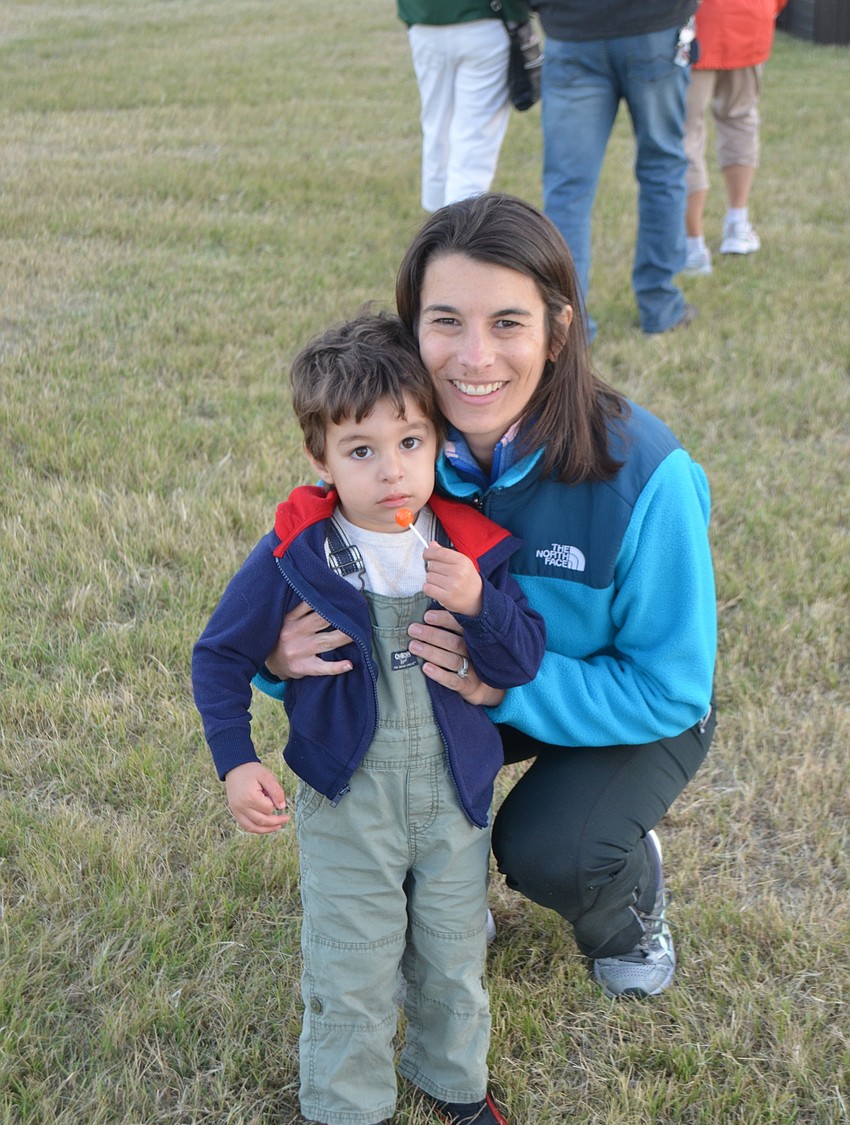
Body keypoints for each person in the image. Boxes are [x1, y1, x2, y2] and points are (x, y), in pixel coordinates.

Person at [264, 193, 717, 1010]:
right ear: (411, 329)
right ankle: (442, 893)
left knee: (551, 848)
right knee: (376, 743)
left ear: (559, 329)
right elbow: (300, 578)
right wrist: (274, 659)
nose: (473, 358)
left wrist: (506, 683)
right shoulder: (398, 444)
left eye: (508, 323)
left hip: (635, 703)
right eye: (445, 322)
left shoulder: (650, 474)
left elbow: (673, 687)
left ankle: (628, 898)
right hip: (463, 676)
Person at [192, 311, 545, 1125]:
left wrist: (480, 605)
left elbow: (517, 664)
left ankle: (452, 1079)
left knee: (455, 947)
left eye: (410, 441)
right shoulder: (297, 555)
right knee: (354, 953)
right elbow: (219, 654)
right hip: (349, 799)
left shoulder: (468, 548)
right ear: (320, 459)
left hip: (455, 797)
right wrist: (236, 760)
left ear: (434, 442)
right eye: (360, 449)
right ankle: (348, 1112)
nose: (389, 468)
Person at [534, 0, 698, 336]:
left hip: (574, 28)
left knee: (568, 189)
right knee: (662, 171)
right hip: (653, 27)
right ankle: (660, 305)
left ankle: (573, 324)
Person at [683, 0, 788, 275]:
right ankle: (736, 224)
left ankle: (693, 244)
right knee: (739, 119)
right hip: (748, 16)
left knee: (687, 132)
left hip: (696, 22)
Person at [398, 0, 532, 212]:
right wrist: (518, 16)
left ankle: (435, 226)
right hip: (483, 20)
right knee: (475, 138)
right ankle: (457, 229)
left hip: (425, 20)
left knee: (437, 128)